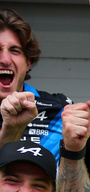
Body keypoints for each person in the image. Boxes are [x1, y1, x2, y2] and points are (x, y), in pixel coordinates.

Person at [0, 10, 67, 159]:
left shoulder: (59, 110)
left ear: (28, 63)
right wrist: (10, 133)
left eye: (15, 51)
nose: (5, 59)